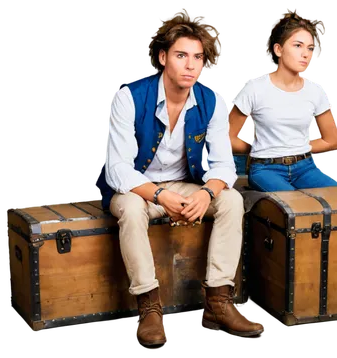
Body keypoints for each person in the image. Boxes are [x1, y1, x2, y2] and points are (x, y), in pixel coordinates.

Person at [95, 7, 265, 349]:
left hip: (186, 186)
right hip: (138, 190)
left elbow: (223, 166)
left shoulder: (212, 102)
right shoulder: (130, 97)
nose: (191, 65)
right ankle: (149, 307)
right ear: (162, 57)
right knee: (128, 207)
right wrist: (159, 195)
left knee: (231, 198)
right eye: (181, 55)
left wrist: (207, 193)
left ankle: (218, 302)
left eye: (198, 57)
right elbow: (117, 170)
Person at [229, 9, 337, 192]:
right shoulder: (254, 89)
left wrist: (294, 146)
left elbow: (333, 141)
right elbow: (227, 137)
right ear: (278, 49)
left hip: (305, 166)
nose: (306, 54)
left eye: (310, 48)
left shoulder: (315, 91)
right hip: (266, 169)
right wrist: (258, 148)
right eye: (298, 45)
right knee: (295, 208)